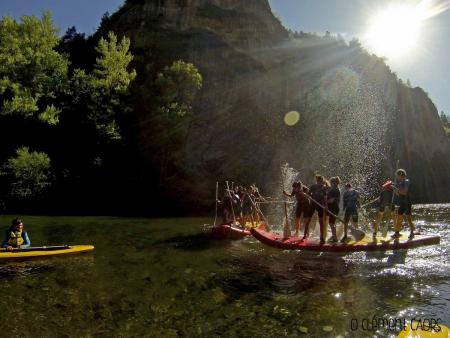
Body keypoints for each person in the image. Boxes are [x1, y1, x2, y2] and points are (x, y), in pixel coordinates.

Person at [302, 175, 327, 244]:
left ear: (322, 181)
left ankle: (322, 237)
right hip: (313, 204)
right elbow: (309, 194)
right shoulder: (313, 187)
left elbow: (325, 198)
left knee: (321, 221)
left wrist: (326, 206)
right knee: (308, 219)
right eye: (319, 182)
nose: (320, 183)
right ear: (317, 181)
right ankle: (305, 235)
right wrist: (308, 195)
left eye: (321, 182)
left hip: (320, 205)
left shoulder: (324, 188)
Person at [391, 169, 415, 239]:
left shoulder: (407, 182)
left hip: (407, 202)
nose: (397, 178)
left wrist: (396, 188)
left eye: (397, 176)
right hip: (402, 203)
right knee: (399, 217)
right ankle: (397, 232)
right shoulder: (400, 183)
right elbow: (399, 194)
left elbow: (404, 192)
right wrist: (394, 189)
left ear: (401, 175)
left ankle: (412, 231)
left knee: (408, 218)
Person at [326, 177, 341, 243]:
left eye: (331, 182)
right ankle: (333, 236)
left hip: (334, 208)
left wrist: (325, 201)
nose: (331, 184)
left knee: (331, 223)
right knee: (332, 223)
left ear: (334, 183)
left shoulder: (335, 190)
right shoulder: (333, 189)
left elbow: (332, 200)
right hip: (332, 208)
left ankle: (335, 238)